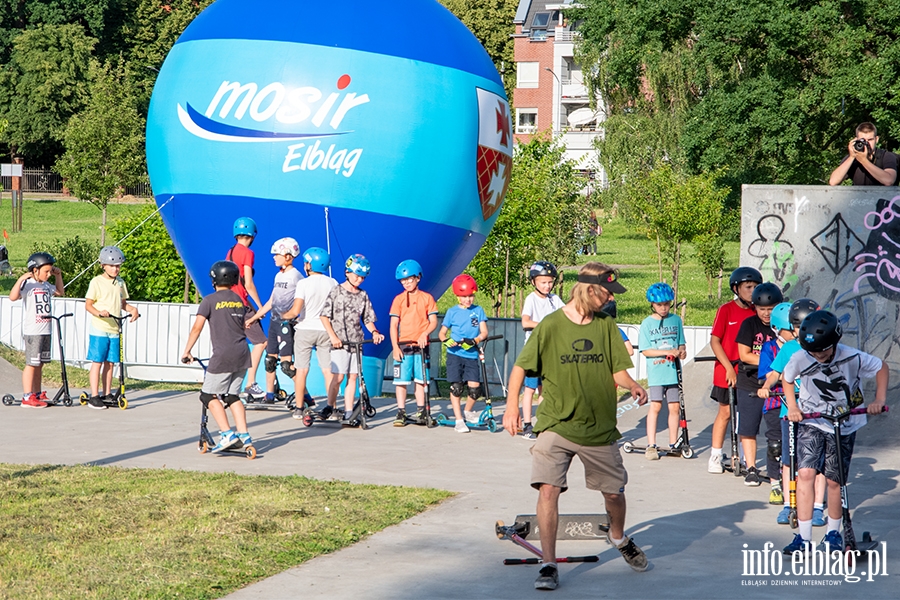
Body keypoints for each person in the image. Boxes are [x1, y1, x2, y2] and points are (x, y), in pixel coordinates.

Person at [502, 262, 649, 591]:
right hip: (556, 423)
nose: (610, 298)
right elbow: (520, 368)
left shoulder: (606, 326)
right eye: (607, 292)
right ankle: (549, 563)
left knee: (613, 493)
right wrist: (512, 406)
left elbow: (617, 371)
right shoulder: (551, 326)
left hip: (598, 427)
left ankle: (618, 536)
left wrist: (633, 385)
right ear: (590, 288)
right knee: (548, 489)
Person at [781, 310, 888, 554]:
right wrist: (793, 406)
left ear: (835, 342)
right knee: (805, 474)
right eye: (813, 352)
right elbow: (787, 379)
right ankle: (804, 539)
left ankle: (832, 534)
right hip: (813, 421)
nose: (818, 356)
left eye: (823, 351)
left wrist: (879, 399)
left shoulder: (852, 357)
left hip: (845, 423)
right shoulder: (800, 358)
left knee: (834, 480)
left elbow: (881, 367)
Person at [757, 299, 828, 527]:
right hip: (790, 412)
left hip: (818, 414)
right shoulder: (789, 348)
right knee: (789, 460)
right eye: (797, 326)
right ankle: (789, 504)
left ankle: (817, 507)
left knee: (817, 463)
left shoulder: (824, 347)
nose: (801, 331)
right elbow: (775, 373)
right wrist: (767, 387)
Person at [181, 261, 253, 453]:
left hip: (223, 355)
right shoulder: (238, 300)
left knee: (207, 395)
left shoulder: (209, 300)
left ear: (214, 279)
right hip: (242, 353)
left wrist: (187, 351)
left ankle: (227, 433)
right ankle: (244, 435)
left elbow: (197, 327)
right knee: (232, 396)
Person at [707, 267, 762, 474]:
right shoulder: (726, 310)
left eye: (756, 287)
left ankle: (742, 454)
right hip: (727, 368)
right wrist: (729, 368)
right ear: (736, 288)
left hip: (749, 370)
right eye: (748, 287)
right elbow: (715, 341)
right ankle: (715, 453)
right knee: (726, 412)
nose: (752, 291)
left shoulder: (758, 312)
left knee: (746, 413)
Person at [321, 253, 384, 423]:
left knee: (353, 377)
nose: (359, 280)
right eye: (357, 276)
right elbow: (324, 316)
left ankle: (349, 412)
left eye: (362, 277)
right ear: (347, 272)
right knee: (339, 376)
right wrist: (333, 337)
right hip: (339, 342)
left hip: (356, 342)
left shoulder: (363, 295)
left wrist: (375, 332)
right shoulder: (336, 291)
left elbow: (368, 319)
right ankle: (330, 405)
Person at [735, 282, 782, 488]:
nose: (766, 314)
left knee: (777, 430)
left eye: (770, 310)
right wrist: (773, 363)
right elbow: (743, 355)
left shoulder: (783, 327)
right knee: (748, 427)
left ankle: (781, 468)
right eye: (762, 309)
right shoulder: (749, 325)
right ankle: (752, 467)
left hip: (777, 387)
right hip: (750, 383)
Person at [282, 247, 338, 420]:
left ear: (310, 264)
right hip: (326, 329)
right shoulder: (333, 282)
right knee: (328, 371)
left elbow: (296, 311)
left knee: (302, 370)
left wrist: (283, 316)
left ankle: (299, 408)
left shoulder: (303, 283)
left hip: (305, 329)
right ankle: (332, 408)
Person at [245, 237, 303, 404]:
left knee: (286, 366)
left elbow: (302, 300)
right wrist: (254, 318)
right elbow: (272, 301)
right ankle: (270, 395)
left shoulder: (296, 277)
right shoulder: (278, 275)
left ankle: (304, 395)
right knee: (270, 360)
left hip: (287, 324)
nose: (273, 257)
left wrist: (298, 317)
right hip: (274, 323)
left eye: (277, 254)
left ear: (288, 256)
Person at [84, 246, 139, 410]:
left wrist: (132, 309)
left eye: (118, 266)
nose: (116, 269)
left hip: (115, 328)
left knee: (111, 363)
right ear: (103, 265)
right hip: (100, 328)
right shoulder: (96, 282)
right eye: (112, 266)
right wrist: (99, 313)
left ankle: (106, 393)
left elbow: (122, 304)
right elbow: (88, 305)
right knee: (98, 362)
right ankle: (94, 395)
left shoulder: (120, 283)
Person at [9, 252, 64, 408]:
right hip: (33, 330)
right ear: (34, 270)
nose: (48, 274)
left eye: (49, 271)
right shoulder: (29, 285)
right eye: (46, 271)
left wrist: (58, 275)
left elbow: (60, 292)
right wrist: (20, 279)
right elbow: (13, 297)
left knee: (40, 364)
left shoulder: (46, 285)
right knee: (31, 363)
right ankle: (28, 396)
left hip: (46, 329)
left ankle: (37, 393)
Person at [638, 283, 686, 460]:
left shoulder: (676, 320)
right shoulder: (647, 324)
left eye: (666, 304)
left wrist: (681, 351)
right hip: (657, 372)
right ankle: (651, 444)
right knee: (656, 406)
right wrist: (666, 352)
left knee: (674, 407)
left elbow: (681, 343)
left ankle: (673, 443)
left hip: (673, 372)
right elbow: (645, 350)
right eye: (660, 305)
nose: (664, 308)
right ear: (652, 304)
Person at [389, 259, 438, 427]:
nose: (407, 283)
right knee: (401, 381)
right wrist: (395, 346)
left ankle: (421, 409)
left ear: (418, 278)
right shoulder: (398, 300)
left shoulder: (427, 298)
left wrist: (425, 334)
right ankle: (401, 411)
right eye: (403, 280)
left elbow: (433, 321)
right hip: (404, 345)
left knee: (421, 380)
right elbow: (394, 324)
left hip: (421, 346)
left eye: (410, 279)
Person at [438, 274, 489, 433]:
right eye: (464, 296)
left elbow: (484, 332)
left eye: (471, 296)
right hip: (455, 354)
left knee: (475, 389)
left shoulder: (478, 310)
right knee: (457, 388)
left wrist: (476, 340)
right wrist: (446, 341)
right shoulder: (452, 312)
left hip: (471, 354)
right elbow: (442, 333)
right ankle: (459, 420)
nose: (468, 299)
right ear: (457, 297)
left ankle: (467, 411)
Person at [519, 261, 563, 440]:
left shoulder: (554, 300)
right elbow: (525, 322)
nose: (547, 285)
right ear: (533, 282)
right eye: (543, 282)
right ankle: (527, 425)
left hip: (549, 351)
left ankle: (543, 422)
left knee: (544, 389)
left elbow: (566, 314)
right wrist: (546, 325)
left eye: (550, 282)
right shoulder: (531, 299)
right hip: (533, 352)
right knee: (530, 388)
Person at [226, 216, 267, 400]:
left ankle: (228, 384)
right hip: (242, 304)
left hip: (229, 302)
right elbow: (248, 284)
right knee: (261, 342)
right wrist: (260, 308)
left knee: (237, 343)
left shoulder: (230, 252)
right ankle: (250, 383)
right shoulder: (248, 253)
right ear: (252, 235)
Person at [828, 122, 898, 186]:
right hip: (860, 199)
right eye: (863, 140)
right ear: (856, 140)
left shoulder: (886, 156)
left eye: (870, 140)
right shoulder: (853, 158)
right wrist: (852, 157)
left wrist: (863, 161)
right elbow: (833, 182)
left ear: (876, 139)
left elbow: (889, 180)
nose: (867, 143)